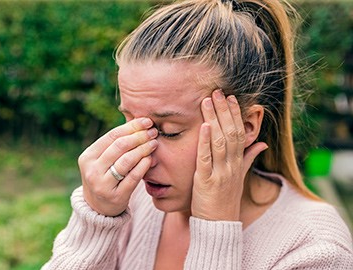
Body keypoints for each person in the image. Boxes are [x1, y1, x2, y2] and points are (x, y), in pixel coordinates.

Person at [42, 0, 353, 269]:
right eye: (130, 122)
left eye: (168, 131)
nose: (139, 155)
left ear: (245, 127)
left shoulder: (314, 249)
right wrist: (97, 220)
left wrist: (215, 230)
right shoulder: (131, 203)